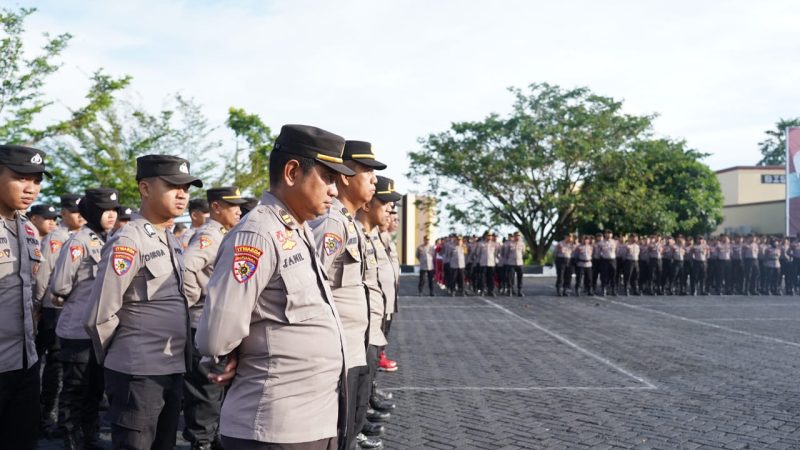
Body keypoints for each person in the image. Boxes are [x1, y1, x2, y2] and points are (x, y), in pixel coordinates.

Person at [195, 124, 351, 450]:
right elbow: (216, 336)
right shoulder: (258, 234)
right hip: (274, 429)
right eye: (328, 178)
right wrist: (227, 354)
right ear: (293, 171)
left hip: (312, 422)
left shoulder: (298, 230)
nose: (335, 190)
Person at [86, 154, 202, 449]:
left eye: (187, 189)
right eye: (174, 186)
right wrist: (124, 358)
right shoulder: (129, 241)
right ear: (145, 189)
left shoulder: (170, 238)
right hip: (137, 374)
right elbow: (100, 312)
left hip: (171, 368)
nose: (182, 195)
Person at [308, 139, 384, 450]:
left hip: (356, 345)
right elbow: (313, 286)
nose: (374, 180)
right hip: (338, 351)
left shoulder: (348, 225)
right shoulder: (331, 225)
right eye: (367, 172)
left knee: (350, 428)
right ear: (345, 176)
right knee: (339, 432)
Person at [50, 188, 119, 450]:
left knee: (94, 389)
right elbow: (59, 285)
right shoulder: (77, 242)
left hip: (100, 333)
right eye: (105, 210)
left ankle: (89, 437)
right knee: (75, 389)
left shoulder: (111, 240)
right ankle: (71, 439)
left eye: (114, 210)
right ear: (92, 211)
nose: (111, 215)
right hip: (77, 329)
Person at [182, 186, 247, 450]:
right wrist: (196, 297)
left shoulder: (225, 234)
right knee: (205, 396)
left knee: (215, 396)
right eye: (233, 206)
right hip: (203, 323)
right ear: (216, 208)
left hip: (217, 324)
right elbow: (186, 265)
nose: (239, 210)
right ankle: (202, 444)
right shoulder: (209, 236)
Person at [0, 144, 50, 449]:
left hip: (25, 362)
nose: (31, 188)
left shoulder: (29, 229)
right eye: (21, 178)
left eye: (37, 180)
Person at [34, 193, 85, 437]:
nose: (80, 216)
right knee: (54, 365)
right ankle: (47, 415)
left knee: (63, 365)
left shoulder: (80, 237)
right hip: (53, 309)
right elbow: (44, 277)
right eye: (76, 212)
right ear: (65, 213)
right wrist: (37, 306)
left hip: (69, 310)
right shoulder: (58, 238)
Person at [506, 232, 526, 297]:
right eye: (516, 236)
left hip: (519, 263)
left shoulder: (522, 244)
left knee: (520, 277)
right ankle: (510, 290)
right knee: (510, 278)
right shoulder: (510, 243)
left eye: (518, 236)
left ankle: (519, 290)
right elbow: (506, 253)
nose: (517, 237)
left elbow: (523, 252)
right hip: (511, 263)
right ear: (514, 236)